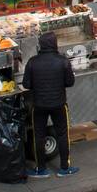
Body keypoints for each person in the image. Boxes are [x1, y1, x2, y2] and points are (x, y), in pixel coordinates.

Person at [22, 31, 78, 178]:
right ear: (55, 44)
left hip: (38, 105)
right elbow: (70, 82)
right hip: (59, 104)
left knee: (38, 136)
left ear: (40, 45)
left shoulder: (33, 62)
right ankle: (64, 168)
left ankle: (41, 169)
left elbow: (26, 84)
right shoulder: (63, 61)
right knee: (62, 135)